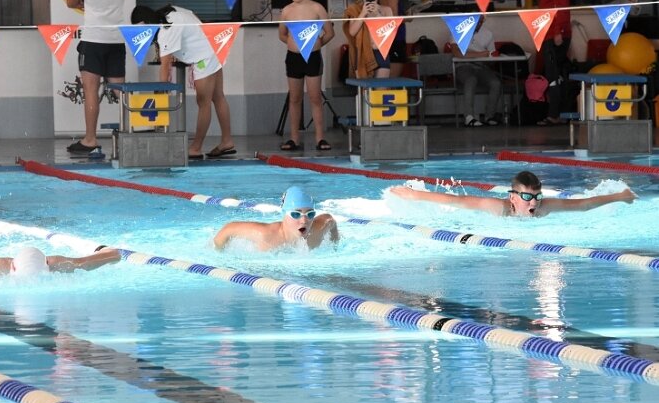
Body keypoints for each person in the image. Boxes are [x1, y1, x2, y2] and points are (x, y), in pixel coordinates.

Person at [131, 5, 235, 160]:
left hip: (203, 58)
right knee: (218, 96)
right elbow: (193, 16)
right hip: (213, 47)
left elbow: (165, 66)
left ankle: (196, 148)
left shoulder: (166, 31)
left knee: (203, 102)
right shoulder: (171, 11)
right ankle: (226, 141)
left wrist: (161, 92)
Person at [65, 0, 127, 155]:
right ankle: (133, 131)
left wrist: (83, 1)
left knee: (91, 90)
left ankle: (90, 139)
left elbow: (70, 0)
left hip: (93, 41)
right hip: (116, 40)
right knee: (121, 91)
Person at [389, 171, 635, 218]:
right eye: (528, 197)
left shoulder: (545, 207)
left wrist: (620, 196)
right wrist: (417, 196)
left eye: (536, 196)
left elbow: (582, 205)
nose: (534, 202)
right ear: (513, 198)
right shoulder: (499, 209)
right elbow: (458, 201)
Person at [278, 0, 335, 152]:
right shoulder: (286, 10)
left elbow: (330, 32)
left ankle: (320, 138)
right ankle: (294, 138)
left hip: (313, 57)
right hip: (293, 58)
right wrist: (294, 44)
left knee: (315, 97)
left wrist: (316, 44)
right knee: (294, 99)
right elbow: (282, 34)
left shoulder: (317, 8)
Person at [214, 186, 339, 251]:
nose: (304, 220)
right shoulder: (266, 235)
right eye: (296, 214)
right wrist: (219, 255)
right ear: (284, 214)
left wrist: (335, 245)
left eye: (310, 214)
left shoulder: (318, 231)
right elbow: (228, 228)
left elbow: (330, 221)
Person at [525, 0, 571, 126]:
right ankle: (557, 112)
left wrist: (559, 31)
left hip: (555, 36)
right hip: (549, 35)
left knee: (553, 76)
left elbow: (562, 8)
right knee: (553, 75)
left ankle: (555, 114)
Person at [449, 15, 502, 127]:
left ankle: (489, 116)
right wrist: (481, 54)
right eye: (477, 21)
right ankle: (469, 117)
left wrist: (491, 58)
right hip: (462, 66)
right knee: (471, 79)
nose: (479, 24)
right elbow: (456, 53)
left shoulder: (488, 34)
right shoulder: (459, 29)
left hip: (481, 66)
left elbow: (491, 55)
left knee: (495, 83)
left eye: (481, 21)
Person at [343, 0, 394, 80]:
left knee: (381, 91)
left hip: (381, 52)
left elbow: (390, 33)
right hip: (363, 54)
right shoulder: (356, 10)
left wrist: (378, 15)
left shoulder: (386, 10)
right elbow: (352, 32)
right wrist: (362, 14)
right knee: (364, 92)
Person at [378, 0, 408, 78]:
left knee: (384, 78)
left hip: (383, 39)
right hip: (396, 40)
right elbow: (394, 20)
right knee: (392, 80)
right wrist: (408, 18)